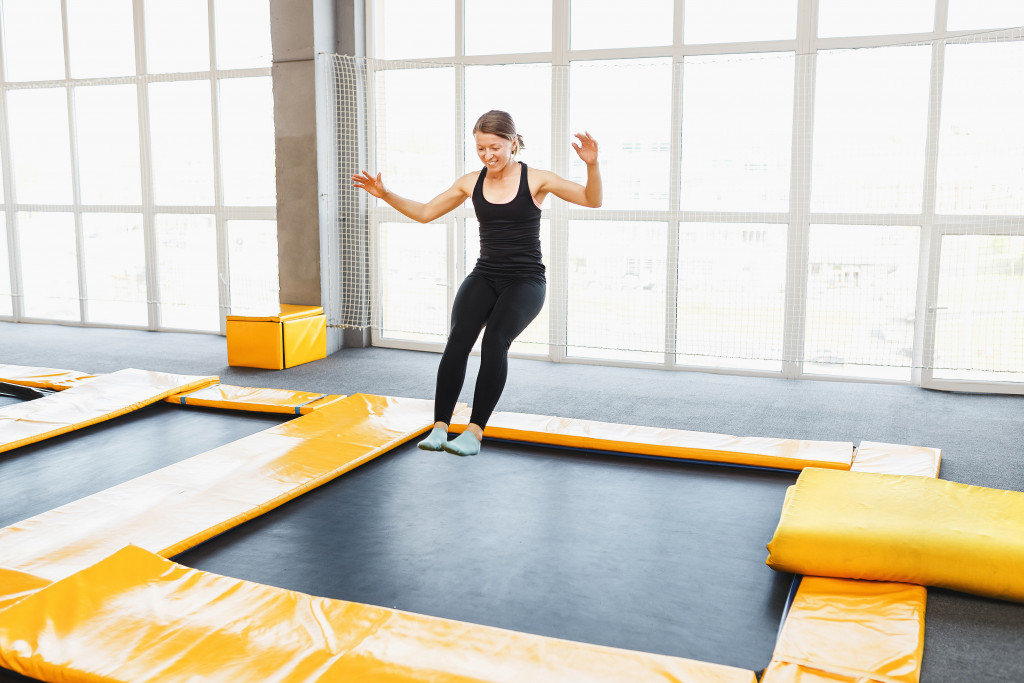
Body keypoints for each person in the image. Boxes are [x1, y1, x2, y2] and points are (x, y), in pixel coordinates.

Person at [352, 110, 602, 455]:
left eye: (495, 147)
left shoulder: (536, 179)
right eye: (481, 148)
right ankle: (439, 427)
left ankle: (474, 432)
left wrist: (591, 164)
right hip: (485, 274)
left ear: (513, 143)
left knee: (495, 340)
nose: (488, 155)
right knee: (458, 341)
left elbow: (592, 199)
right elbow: (425, 213)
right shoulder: (471, 182)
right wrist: (385, 194)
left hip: (525, 280)